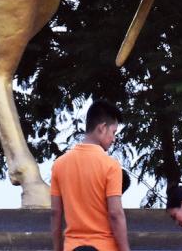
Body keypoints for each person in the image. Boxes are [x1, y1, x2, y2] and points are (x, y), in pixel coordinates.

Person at [50, 100, 129, 251]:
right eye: (113, 132)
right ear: (102, 128)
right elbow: (115, 213)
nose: (114, 139)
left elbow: (55, 213)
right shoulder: (111, 166)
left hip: (72, 247)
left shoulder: (59, 164)